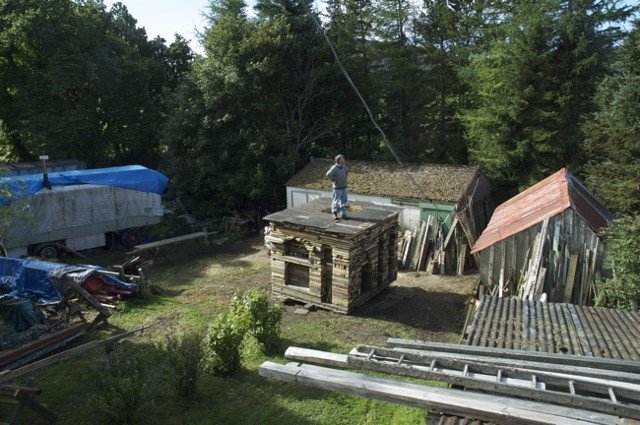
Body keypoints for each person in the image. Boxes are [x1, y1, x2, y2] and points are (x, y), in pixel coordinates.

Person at [326, 154, 348, 219]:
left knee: (343, 201)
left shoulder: (344, 167)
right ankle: (334, 213)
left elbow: (346, 172)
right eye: (342, 159)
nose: (344, 160)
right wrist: (333, 180)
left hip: (344, 187)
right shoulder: (334, 167)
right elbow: (328, 174)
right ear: (339, 160)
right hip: (337, 188)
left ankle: (343, 214)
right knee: (335, 201)